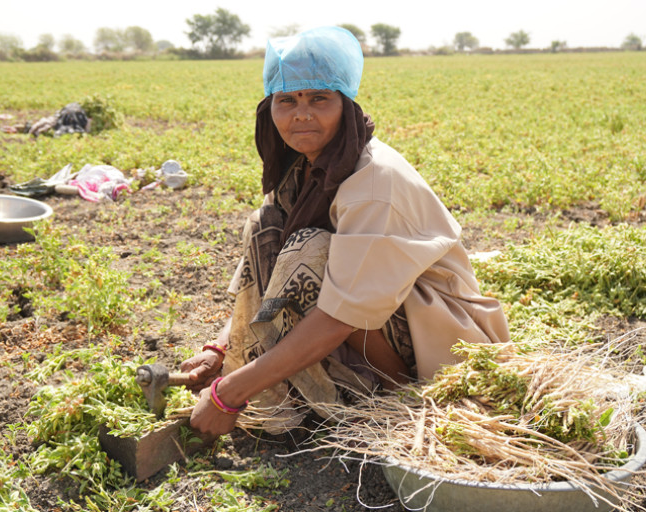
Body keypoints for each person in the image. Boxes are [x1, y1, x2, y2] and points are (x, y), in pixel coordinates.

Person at [180, 26, 510, 437]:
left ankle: (395, 398)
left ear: (345, 105)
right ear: (270, 110)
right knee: (265, 228)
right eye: (287, 100)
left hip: (442, 340)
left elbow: (342, 314)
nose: (302, 113)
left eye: (319, 98)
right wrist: (219, 349)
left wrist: (229, 392)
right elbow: (260, 284)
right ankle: (313, 386)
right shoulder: (301, 172)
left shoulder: (373, 181)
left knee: (308, 253)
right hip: (371, 315)